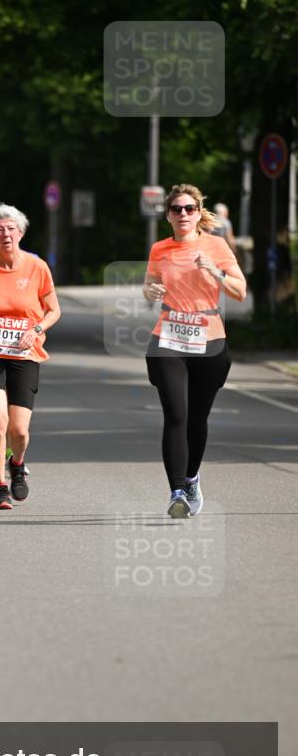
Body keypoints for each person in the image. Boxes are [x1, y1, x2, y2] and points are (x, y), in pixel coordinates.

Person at [143, 184, 246, 518]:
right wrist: (151, 290)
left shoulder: (215, 246)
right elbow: (149, 286)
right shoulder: (160, 249)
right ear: (168, 215)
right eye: (176, 209)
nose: (183, 214)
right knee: (176, 414)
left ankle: (190, 478)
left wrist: (214, 271)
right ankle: (176, 492)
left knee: (197, 418)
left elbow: (240, 291)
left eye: (189, 208)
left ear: (199, 212)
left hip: (209, 339)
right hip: (169, 336)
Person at [0, 204, 61, 509]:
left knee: (19, 430)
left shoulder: (37, 267)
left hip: (25, 351)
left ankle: (16, 463)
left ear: (21, 233)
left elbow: (54, 309)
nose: (5, 233)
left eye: (11, 228)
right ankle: (0, 485)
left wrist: (37, 328)